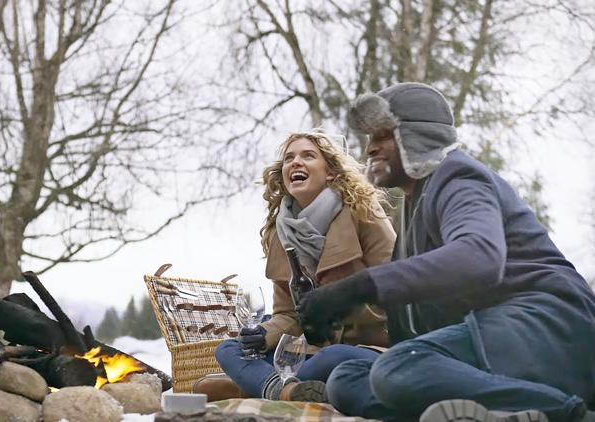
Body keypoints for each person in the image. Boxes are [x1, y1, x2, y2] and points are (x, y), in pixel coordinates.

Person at [297, 82, 595, 422]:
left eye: (382, 136)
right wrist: (337, 312)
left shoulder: (458, 176)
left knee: (397, 369)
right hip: (491, 340)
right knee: (346, 379)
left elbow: (479, 257)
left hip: (546, 327)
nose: (370, 150)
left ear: (416, 135)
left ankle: (570, 414)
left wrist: (359, 286)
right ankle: (492, 413)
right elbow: (411, 318)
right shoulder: (412, 205)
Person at [212, 131, 396, 402]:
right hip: (309, 349)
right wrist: (264, 334)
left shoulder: (363, 212)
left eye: (308, 156)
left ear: (331, 172)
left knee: (332, 358)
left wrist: (338, 305)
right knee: (229, 349)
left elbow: (397, 284)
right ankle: (286, 391)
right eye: (289, 158)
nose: (295, 162)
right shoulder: (279, 232)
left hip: (366, 346)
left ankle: (263, 384)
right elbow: (288, 314)